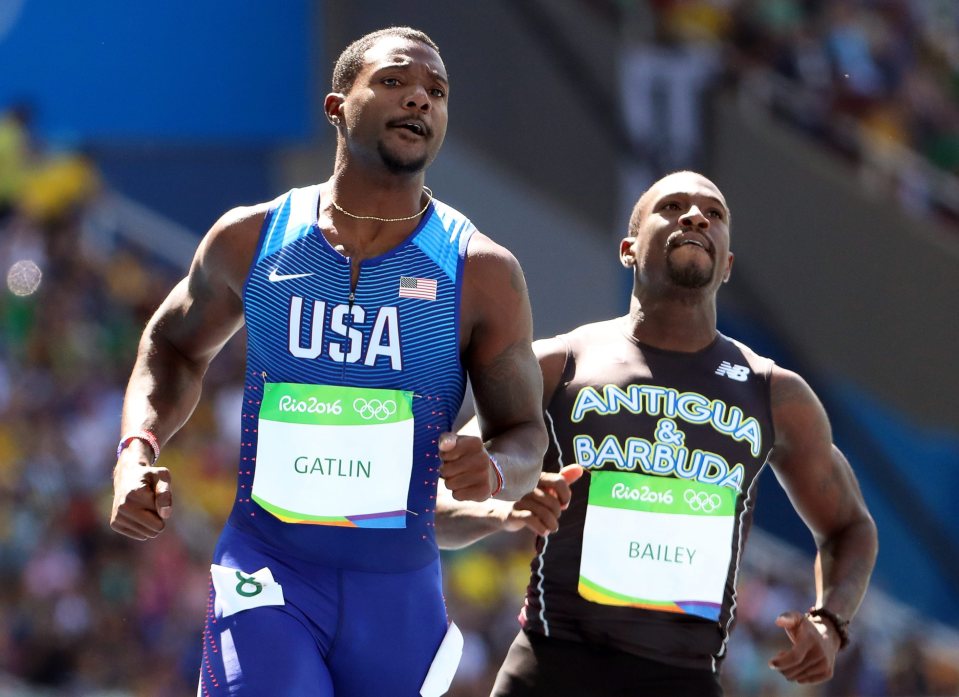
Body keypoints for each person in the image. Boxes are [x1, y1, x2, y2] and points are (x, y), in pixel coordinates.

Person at [109, 26, 548, 697]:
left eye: (437, 91)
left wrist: (493, 469)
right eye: (396, 80)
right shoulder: (251, 237)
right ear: (336, 104)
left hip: (398, 603)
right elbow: (171, 344)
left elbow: (523, 432)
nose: (420, 100)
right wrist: (136, 449)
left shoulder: (480, 272)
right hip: (266, 570)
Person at [436, 171, 878, 696]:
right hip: (553, 665)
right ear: (628, 248)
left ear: (728, 263)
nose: (696, 217)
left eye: (714, 215)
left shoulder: (775, 394)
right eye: (673, 207)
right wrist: (503, 510)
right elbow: (437, 508)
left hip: (683, 679)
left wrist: (831, 621)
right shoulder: (557, 363)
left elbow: (850, 526)